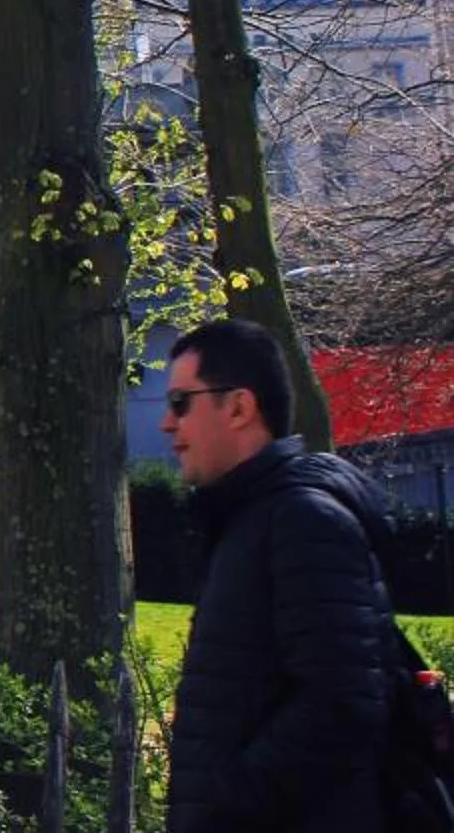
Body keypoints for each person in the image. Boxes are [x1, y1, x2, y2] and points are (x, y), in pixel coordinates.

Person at [160, 317, 397, 833]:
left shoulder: (301, 520)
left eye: (181, 403)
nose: (166, 424)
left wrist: (230, 805)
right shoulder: (251, 520)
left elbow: (342, 704)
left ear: (240, 407)